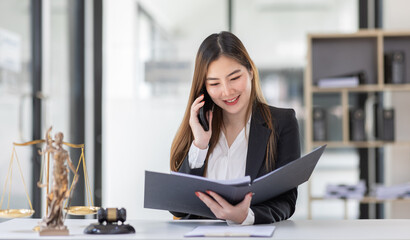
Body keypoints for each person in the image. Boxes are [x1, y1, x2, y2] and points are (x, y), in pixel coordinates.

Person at [170, 31, 300, 225]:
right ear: (204, 87)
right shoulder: (198, 125)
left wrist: (247, 216)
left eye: (234, 77)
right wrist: (200, 145)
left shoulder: (283, 123)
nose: (227, 91)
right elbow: (177, 208)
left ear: (250, 71)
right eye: (214, 83)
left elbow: (286, 202)